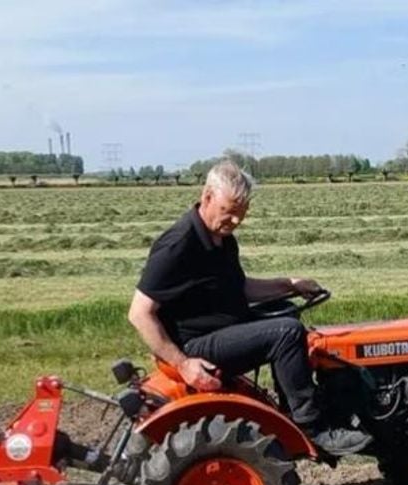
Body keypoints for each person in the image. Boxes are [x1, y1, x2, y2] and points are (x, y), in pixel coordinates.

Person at [127, 160, 373, 456]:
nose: (234, 221)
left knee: (287, 313)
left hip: (217, 328)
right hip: (194, 346)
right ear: (207, 197)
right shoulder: (179, 244)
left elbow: (239, 288)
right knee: (287, 332)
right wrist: (184, 364)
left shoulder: (221, 239)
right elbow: (139, 313)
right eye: (228, 212)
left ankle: (304, 403)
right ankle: (312, 425)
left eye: (240, 215)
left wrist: (290, 285)